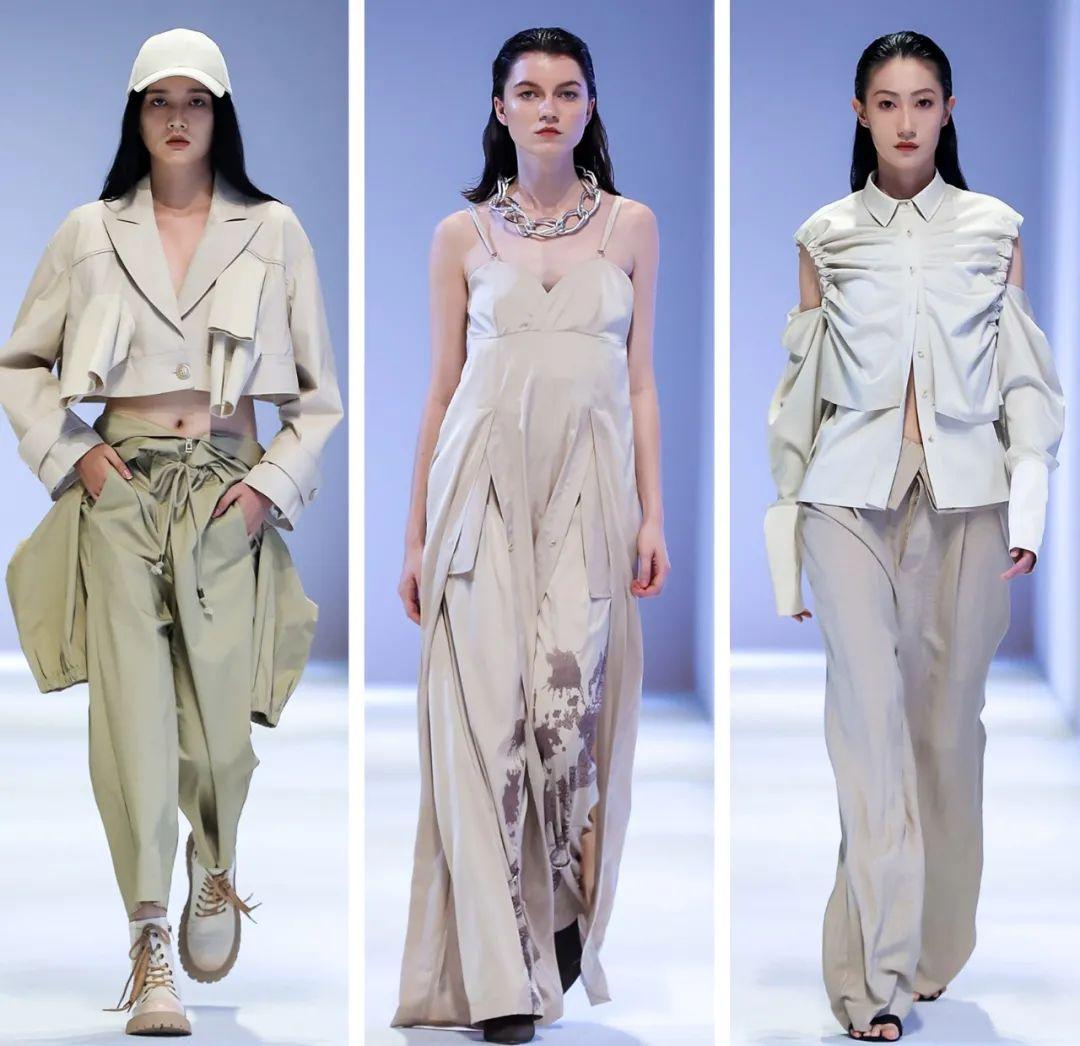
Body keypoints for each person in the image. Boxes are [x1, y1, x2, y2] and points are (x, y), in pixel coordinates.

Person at [0, 28, 342, 1037]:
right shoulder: (89, 231)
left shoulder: (272, 231)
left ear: (221, 114)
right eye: (160, 100)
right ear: (137, 115)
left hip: (226, 492)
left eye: (196, 100)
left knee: (220, 727)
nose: (178, 117)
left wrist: (267, 491)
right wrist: (78, 459)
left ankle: (216, 859)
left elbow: (317, 396)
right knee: (133, 718)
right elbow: (21, 364)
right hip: (122, 491)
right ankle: (150, 939)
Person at [765, 30, 1064, 1042]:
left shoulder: (993, 228)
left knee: (946, 737)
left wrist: (1030, 513)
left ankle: (932, 947)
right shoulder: (825, 236)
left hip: (969, 506)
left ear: (948, 111)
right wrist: (786, 542)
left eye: (922, 101)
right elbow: (798, 398)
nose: (905, 121)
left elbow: (1028, 387)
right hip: (845, 504)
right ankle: (872, 981)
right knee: (869, 733)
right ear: (860, 113)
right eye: (886, 102)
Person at [392, 26, 670, 1046]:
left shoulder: (631, 227)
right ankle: (503, 979)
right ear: (500, 107)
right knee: (486, 728)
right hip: (480, 494)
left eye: (567, 91)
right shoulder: (461, 235)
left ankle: (558, 898)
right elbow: (440, 390)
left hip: (588, 495)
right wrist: (415, 536)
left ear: (590, 107)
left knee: (564, 723)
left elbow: (640, 383)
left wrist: (653, 512)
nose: (548, 108)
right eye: (529, 91)